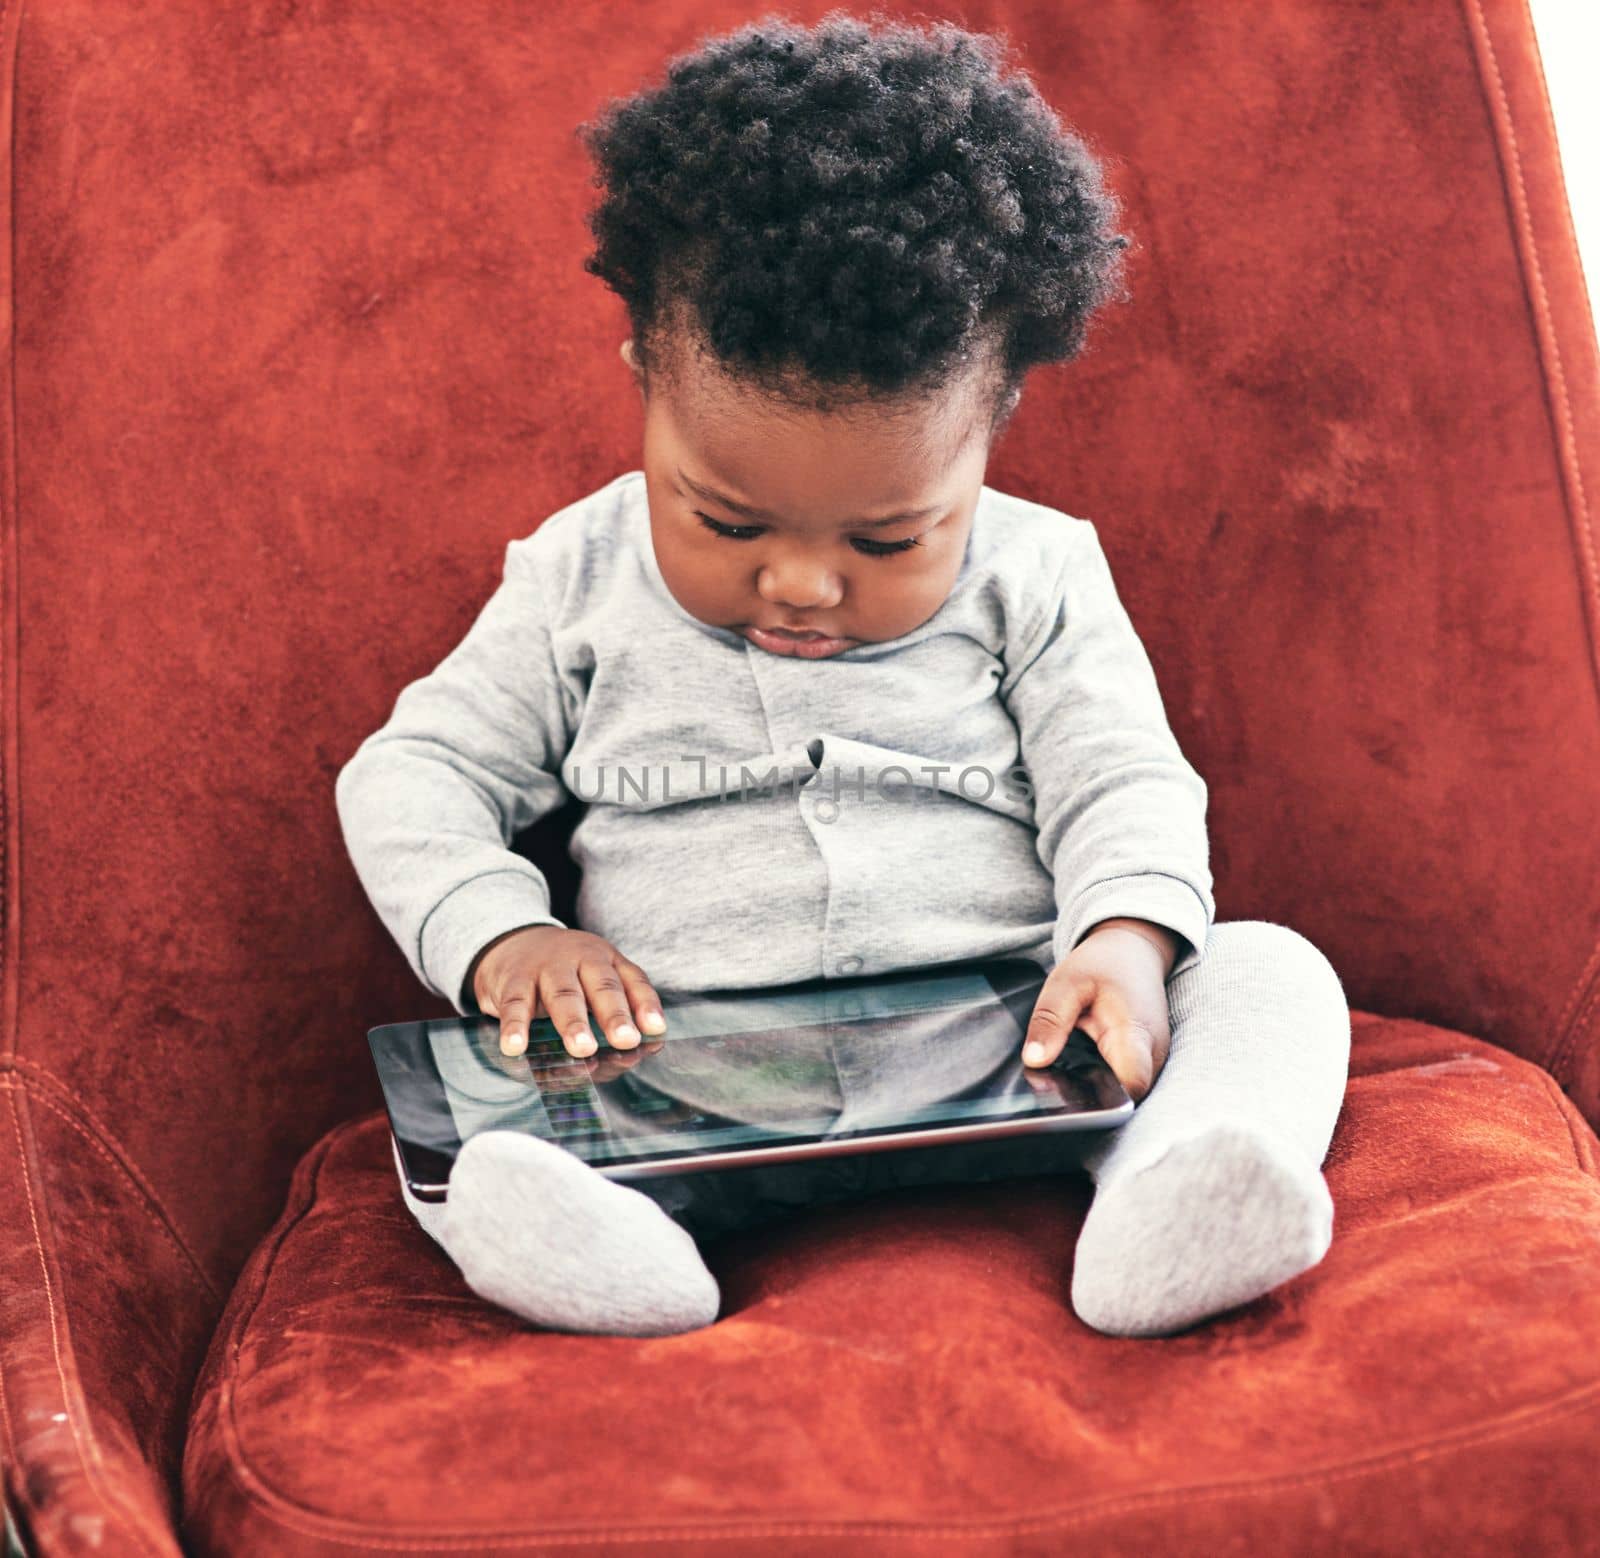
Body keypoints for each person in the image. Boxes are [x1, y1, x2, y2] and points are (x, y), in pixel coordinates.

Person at [335, 12, 1350, 1340]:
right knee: (473, 1110)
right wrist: (505, 937)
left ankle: (1168, 1190)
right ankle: (608, 1244)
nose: (804, 585)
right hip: (685, 1086)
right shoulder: (573, 582)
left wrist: (1124, 940)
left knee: (1271, 971)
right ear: (644, 365)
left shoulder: (1038, 574)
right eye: (727, 522)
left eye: (887, 538)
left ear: (991, 425)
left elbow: (1121, 779)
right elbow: (413, 774)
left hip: (1026, 1052)